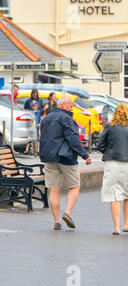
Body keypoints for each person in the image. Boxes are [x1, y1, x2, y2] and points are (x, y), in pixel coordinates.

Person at [40, 96, 92, 230]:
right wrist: (85, 155)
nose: (72, 108)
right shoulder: (66, 118)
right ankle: (67, 213)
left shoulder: (46, 118)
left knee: (54, 189)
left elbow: (43, 138)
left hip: (49, 158)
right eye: (70, 106)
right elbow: (73, 139)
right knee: (74, 186)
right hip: (66, 157)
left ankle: (57, 221)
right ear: (62, 105)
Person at [97, 104, 128, 235]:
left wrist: (109, 151)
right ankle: (127, 224)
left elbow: (100, 145)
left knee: (114, 195)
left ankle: (116, 227)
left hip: (112, 163)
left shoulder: (109, 126)